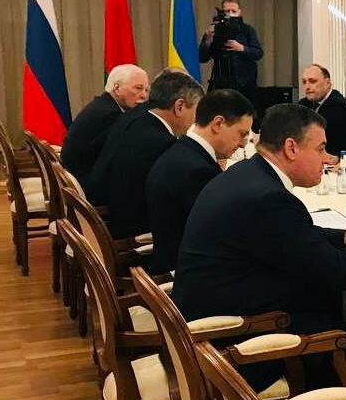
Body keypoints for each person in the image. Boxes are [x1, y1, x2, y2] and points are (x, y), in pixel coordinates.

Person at [171, 104, 346, 389]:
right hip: (236, 344)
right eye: (321, 149)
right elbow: (337, 271)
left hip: (214, 318)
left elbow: (295, 236)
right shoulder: (268, 197)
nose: (326, 159)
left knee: (334, 307)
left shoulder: (249, 174)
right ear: (291, 148)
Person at [145, 90, 254, 274]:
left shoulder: (183, 151)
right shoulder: (197, 171)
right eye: (242, 134)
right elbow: (221, 233)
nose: (244, 143)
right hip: (185, 272)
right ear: (218, 124)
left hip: (171, 258)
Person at [87, 70, 203, 239]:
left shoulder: (136, 116)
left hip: (109, 208)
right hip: (134, 231)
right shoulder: (162, 143)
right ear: (179, 107)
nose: (196, 120)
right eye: (196, 111)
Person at [60, 64, 149, 182]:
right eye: (138, 88)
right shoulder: (109, 115)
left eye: (146, 90)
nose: (144, 96)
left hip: (76, 178)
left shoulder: (104, 105)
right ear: (117, 88)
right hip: (84, 183)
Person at [198, 0, 263, 104]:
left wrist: (241, 48)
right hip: (220, 82)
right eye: (227, 11)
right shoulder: (214, 30)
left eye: (233, 11)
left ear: (239, 12)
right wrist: (208, 41)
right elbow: (202, 58)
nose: (230, 14)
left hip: (244, 83)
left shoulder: (247, 30)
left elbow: (258, 53)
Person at [298, 64, 346, 156]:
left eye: (312, 81)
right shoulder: (302, 105)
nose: (307, 87)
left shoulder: (342, 108)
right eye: (304, 82)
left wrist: (338, 158)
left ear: (327, 83)